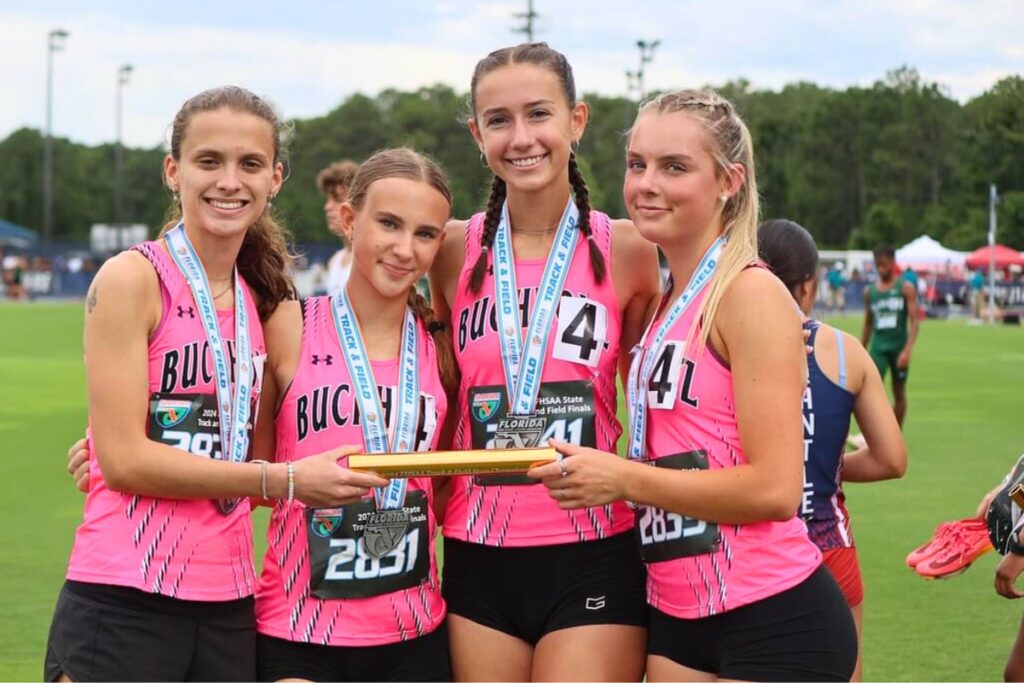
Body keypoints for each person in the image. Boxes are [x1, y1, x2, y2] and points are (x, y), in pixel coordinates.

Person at [45, 86, 384, 682]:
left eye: (250, 164)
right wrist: (280, 480)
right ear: (173, 170)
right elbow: (124, 463)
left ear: (275, 178)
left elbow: (258, 456)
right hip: (124, 596)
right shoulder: (132, 278)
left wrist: (269, 472)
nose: (230, 181)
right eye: (209, 161)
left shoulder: (268, 304)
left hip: (228, 605)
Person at [529, 89, 857, 682]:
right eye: (638, 165)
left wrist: (621, 478)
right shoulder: (668, 302)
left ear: (729, 180)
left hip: (771, 613)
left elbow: (776, 489)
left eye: (674, 167)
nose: (647, 184)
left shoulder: (750, 294)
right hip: (677, 612)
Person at [428, 42, 660, 681]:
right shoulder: (450, 250)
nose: (521, 137)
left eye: (539, 114)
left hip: (595, 544)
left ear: (577, 121)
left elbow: (649, 404)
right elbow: (442, 388)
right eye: (498, 120)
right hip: (477, 548)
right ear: (477, 134)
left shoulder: (631, 251)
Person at [248, 148, 458, 681]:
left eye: (425, 233)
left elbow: (446, 487)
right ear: (347, 219)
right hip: (298, 630)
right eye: (388, 224)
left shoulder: (442, 349)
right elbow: (244, 470)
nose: (404, 249)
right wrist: (106, 452)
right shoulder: (288, 326)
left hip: (414, 633)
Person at [758, 218, 908, 681]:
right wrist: (825, 464)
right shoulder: (845, 353)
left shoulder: (720, 347)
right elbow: (891, 459)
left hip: (754, 551)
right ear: (810, 286)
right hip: (828, 547)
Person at [862, 245, 919, 427]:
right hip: (878, 347)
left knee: (899, 392)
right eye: (877, 264)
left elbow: (915, 322)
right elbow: (869, 323)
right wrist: (862, 349)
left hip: (898, 348)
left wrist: (907, 351)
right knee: (870, 392)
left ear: (893, 263)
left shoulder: (905, 288)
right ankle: (875, 434)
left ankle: (896, 433)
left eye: (884, 264)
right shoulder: (869, 292)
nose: (880, 268)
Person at [319, 160, 361, 297]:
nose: (327, 207)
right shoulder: (335, 260)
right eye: (328, 199)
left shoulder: (369, 261)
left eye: (337, 199)